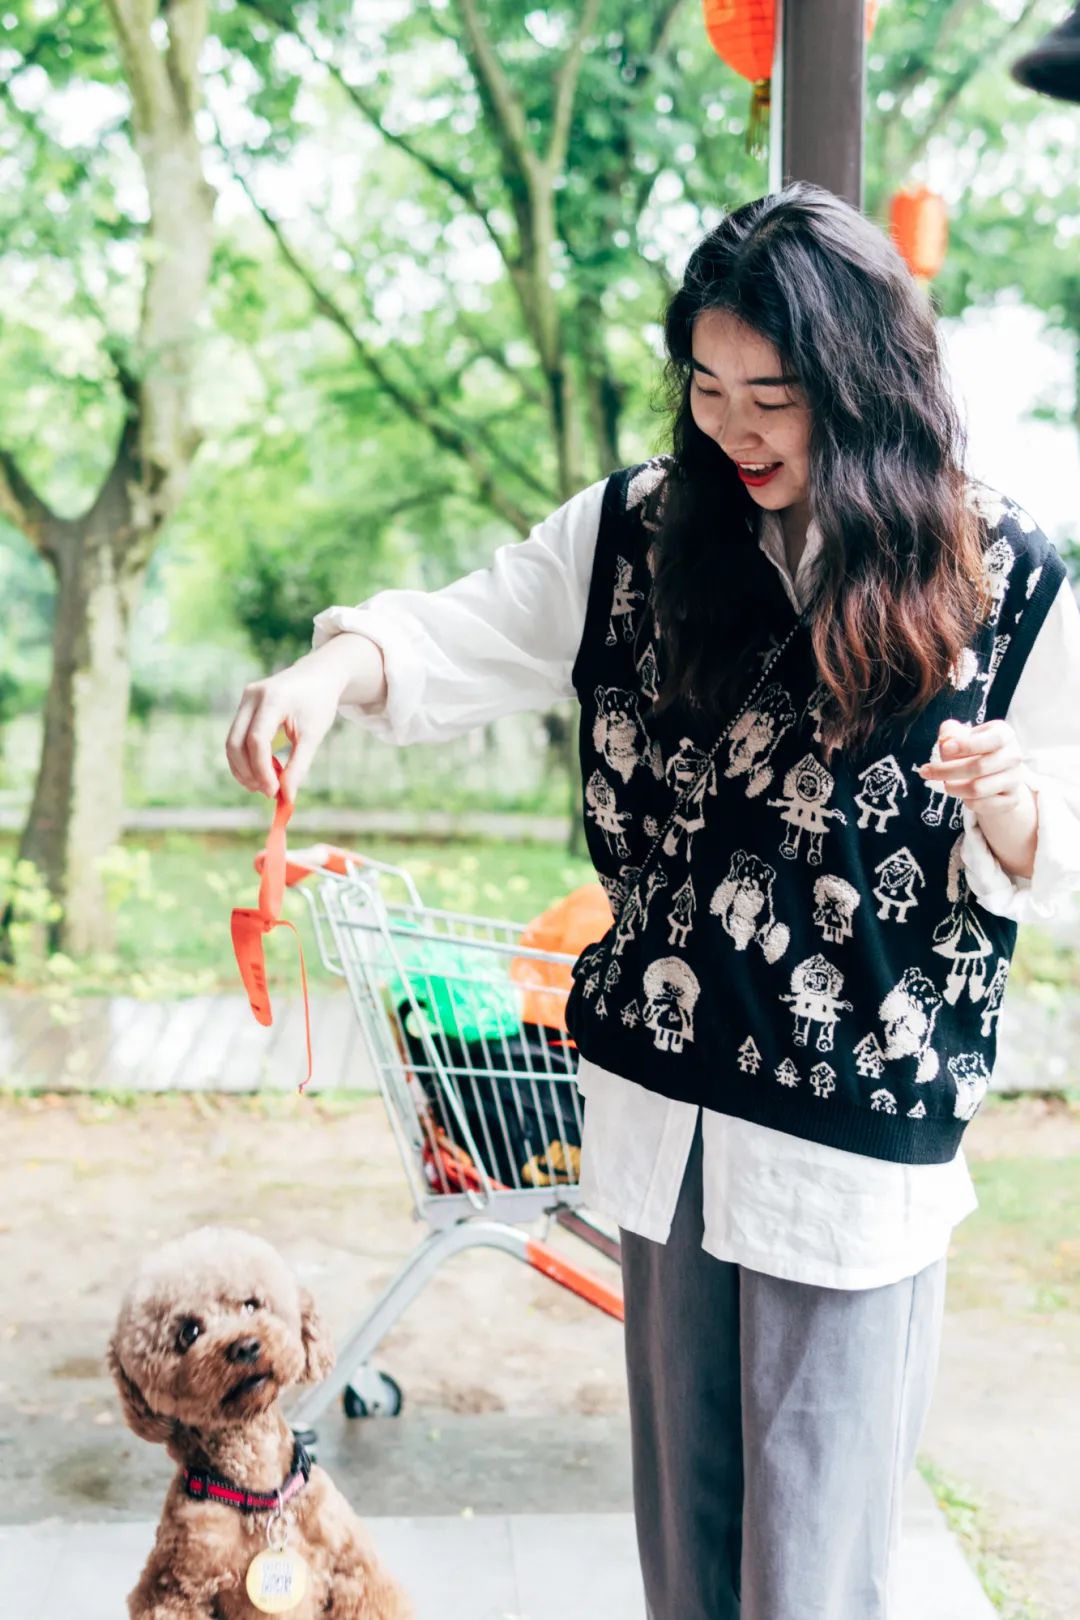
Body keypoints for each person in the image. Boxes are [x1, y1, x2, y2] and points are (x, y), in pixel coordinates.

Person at [226, 184, 1080, 1620]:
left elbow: (1065, 838)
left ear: (864, 387)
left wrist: (1012, 805)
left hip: (851, 1152)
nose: (734, 428)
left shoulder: (1005, 578)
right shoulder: (638, 529)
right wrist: (325, 675)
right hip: (668, 1114)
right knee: (688, 1559)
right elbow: (460, 633)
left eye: (774, 397)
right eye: (707, 386)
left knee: (812, 1578)